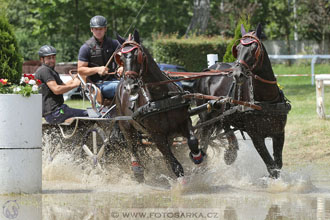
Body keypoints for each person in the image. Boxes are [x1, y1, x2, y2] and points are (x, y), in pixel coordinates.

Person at [35, 45, 88, 124]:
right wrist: (74, 85)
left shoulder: (50, 71)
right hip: (55, 112)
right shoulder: (44, 70)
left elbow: (63, 86)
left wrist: (75, 79)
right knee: (89, 114)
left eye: (53, 57)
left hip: (56, 112)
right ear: (41, 59)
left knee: (82, 115)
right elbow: (57, 90)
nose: (52, 60)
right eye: (49, 58)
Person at [77, 15, 121, 101]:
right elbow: (80, 70)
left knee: (132, 85)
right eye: (95, 29)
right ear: (91, 29)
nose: (98, 31)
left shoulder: (114, 43)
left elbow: (123, 58)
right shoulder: (85, 48)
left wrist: (122, 66)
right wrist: (97, 69)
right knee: (123, 87)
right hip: (97, 85)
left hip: (115, 79)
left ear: (105, 29)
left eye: (100, 29)